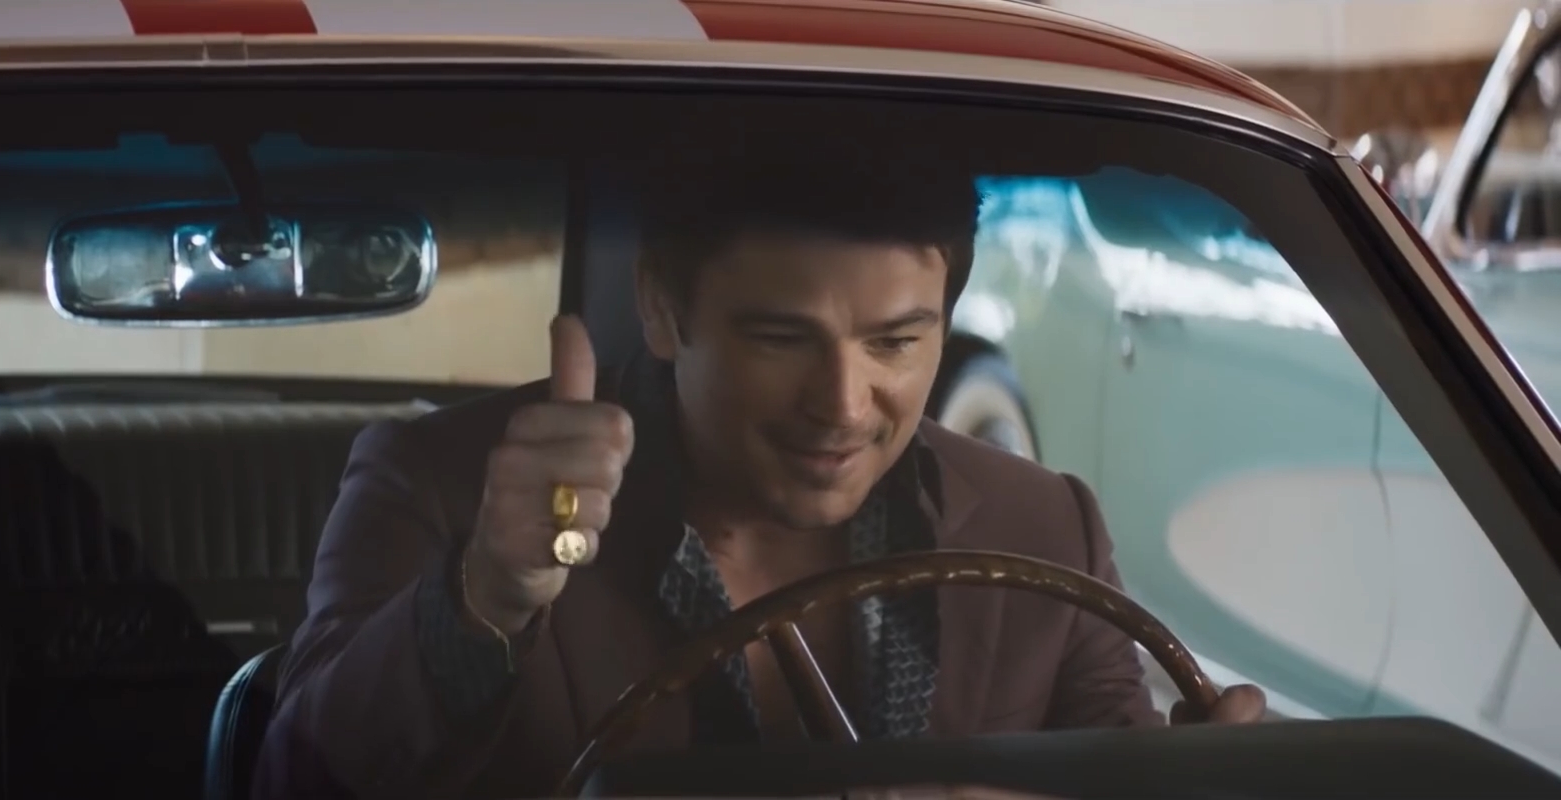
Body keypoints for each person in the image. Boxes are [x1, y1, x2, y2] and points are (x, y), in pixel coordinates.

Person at [252, 155, 1267, 799]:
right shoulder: (443, 483)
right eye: (782, 339)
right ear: (663, 309)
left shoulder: (1041, 524)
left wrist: (1196, 777)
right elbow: (296, 780)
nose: (844, 403)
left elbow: (1115, 767)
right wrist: (487, 592)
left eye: (895, 342)